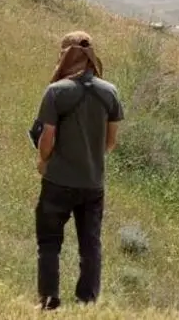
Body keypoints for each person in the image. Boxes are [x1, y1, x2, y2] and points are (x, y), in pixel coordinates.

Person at [34, 31, 124, 311]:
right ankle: (87, 301)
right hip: (93, 184)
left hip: (58, 180)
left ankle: (49, 300)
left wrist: (43, 161)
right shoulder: (110, 92)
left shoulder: (56, 91)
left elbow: (47, 138)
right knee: (90, 244)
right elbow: (110, 142)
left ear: (65, 54)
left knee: (49, 243)